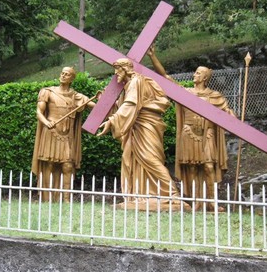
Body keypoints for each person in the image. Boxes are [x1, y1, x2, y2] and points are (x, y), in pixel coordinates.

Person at [147, 46, 235, 208]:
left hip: (207, 134)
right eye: (195, 72)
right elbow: (166, 78)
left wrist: (232, 116)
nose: (195, 75)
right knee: (193, 168)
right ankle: (196, 202)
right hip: (188, 133)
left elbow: (228, 114)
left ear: (204, 78)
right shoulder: (185, 93)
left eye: (198, 73)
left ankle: (212, 202)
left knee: (208, 167)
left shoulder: (214, 96)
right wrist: (153, 57)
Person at [98, 58, 188, 210]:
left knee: (149, 158)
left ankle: (173, 195)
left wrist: (113, 121)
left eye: (117, 69)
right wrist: (112, 108)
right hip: (137, 126)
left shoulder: (135, 82)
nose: (115, 73)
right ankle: (141, 195)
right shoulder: (131, 85)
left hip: (146, 125)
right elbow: (125, 108)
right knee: (135, 160)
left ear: (126, 69)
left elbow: (131, 105)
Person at [32, 67, 94, 201]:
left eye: (67, 74)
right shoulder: (47, 92)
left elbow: (94, 105)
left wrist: (104, 98)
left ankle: (66, 199)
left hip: (67, 135)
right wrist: (46, 122)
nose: (63, 75)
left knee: (68, 165)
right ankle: (47, 197)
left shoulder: (76, 96)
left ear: (72, 79)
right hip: (51, 132)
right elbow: (39, 112)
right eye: (62, 73)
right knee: (49, 164)